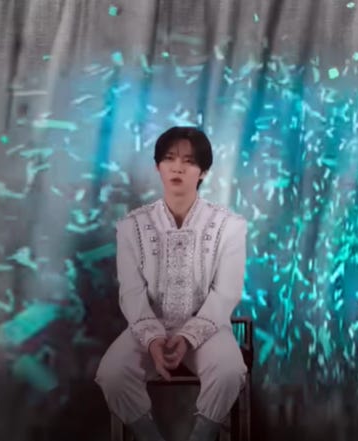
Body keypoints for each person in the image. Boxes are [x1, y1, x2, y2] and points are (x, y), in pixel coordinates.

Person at [95, 127, 248, 441]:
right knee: (112, 374)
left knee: (230, 372)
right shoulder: (131, 227)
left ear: (203, 172)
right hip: (147, 325)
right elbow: (132, 292)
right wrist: (153, 339)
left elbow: (226, 292)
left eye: (189, 161)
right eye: (169, 158)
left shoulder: (230, 226)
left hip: (208, 327)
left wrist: (188, 337)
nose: (177, 168)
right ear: (158, 166)